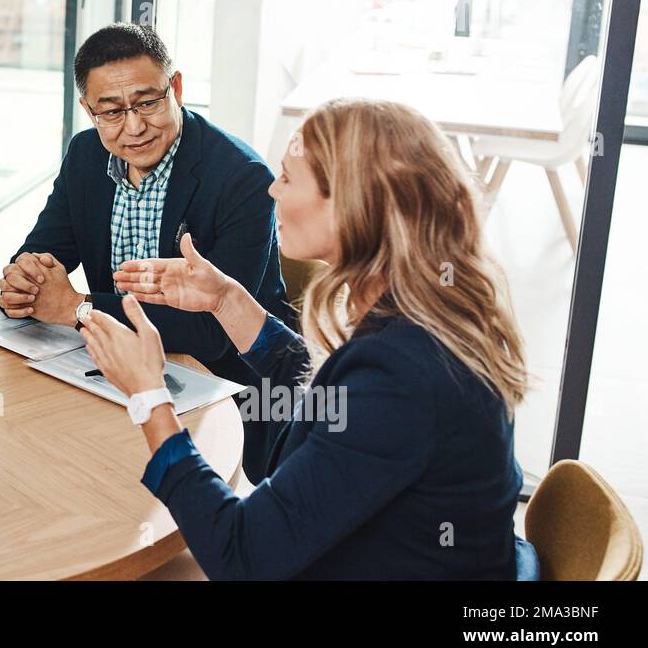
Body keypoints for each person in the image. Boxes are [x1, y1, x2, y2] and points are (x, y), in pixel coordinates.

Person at [84, 98, 537, 579]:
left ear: (350, 204)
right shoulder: (424, 309)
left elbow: (242, 557)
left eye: (287, 177)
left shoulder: (405, 373)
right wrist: (227, 302)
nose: (272, 190)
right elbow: (337, 399)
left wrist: (149, 398)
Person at [0, 23, 290, 482]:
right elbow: (45, 250)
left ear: (175, 87)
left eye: (148, 102)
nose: (133, 127)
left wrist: (78, 309)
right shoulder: (85, 156)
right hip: (112, 375)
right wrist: (25, 280)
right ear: (87, 110)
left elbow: (214, 332)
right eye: (111, 111)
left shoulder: (242, 177)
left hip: (225, 386)